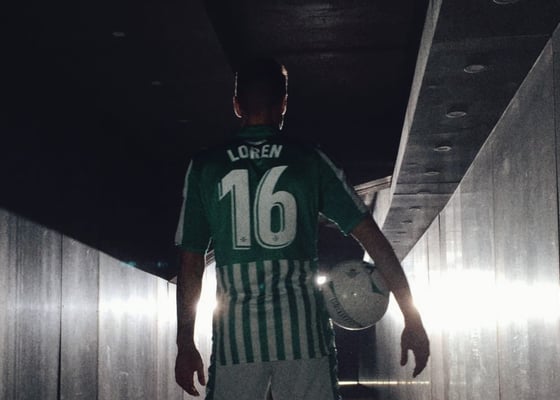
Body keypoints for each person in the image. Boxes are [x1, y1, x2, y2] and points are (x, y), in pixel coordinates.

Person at [174, 57, 429, 400]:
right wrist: (411, 316)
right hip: (304, 336)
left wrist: (185, 342)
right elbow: (375, 241)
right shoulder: (309, 160)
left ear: (236, 105)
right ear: (283, 104)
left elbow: (191, 263)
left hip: (237, 341)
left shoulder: (206, 167)